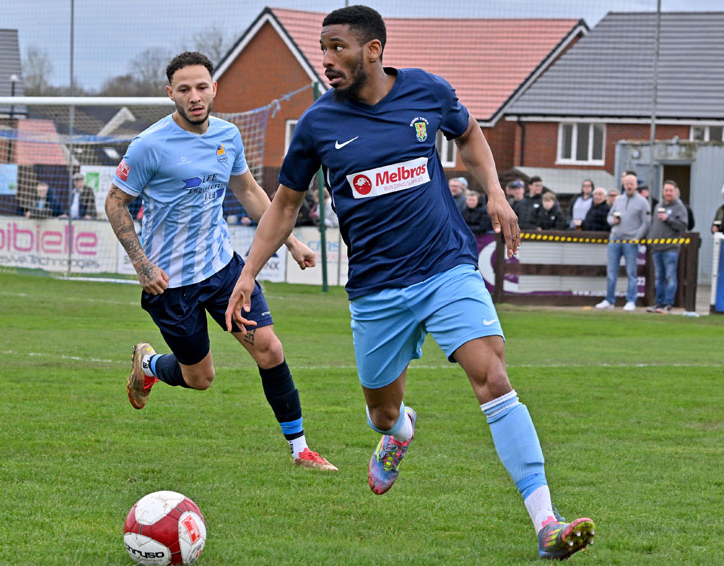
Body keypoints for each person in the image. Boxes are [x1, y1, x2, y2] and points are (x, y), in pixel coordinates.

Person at [225, 6, 594, 560]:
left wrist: (495, 192)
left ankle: (546, 522)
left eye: (337, 47)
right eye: (323, 49)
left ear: (373, 50)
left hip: (446, 266)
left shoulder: (427, 91)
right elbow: (284, 205)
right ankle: (399, 432)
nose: (326, 59)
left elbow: (470, 135)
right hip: (376, 290)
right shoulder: (317, 124)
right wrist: (249, 273)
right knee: (381, 411)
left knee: (493, 377)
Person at [104, 51, 336, 472]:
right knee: (200, 378)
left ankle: (300, 450)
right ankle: (150, 364)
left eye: (201, 87)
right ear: (170, 93)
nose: (194, 97)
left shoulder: (228, 135)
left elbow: (248, 191)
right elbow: (115, 202)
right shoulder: (149, 146)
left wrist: (290, 241)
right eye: (184, 89)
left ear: (214, 88)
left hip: (223, 270)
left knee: (270, 349)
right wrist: (142, 265)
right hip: (171, 284)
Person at [596, 173, 651, 311]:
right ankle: (609, 300)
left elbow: (646, 223)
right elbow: (609, 216)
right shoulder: (618, 200)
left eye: (631, 183)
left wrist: (637, 238)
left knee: (631, 272)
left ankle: (631, 300)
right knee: (611, 271)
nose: (629, 186)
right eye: (626, 184)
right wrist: (612, 221)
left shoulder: (643, 202)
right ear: (623, 185)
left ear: (636, 185)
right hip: (615, 238)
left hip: (630, 240)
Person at [645, 181, 688, 314]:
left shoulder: (679, 207)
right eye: (666, 190)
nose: (668, 193)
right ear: (663, 191)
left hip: (670, 248)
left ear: (675, 191)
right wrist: (650, 239)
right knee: (659, 277)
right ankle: (658, 303)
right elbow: (654, 224)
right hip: (657, 247)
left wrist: (668, 218)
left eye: (670, 190)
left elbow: (683, 226)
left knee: (670, 276)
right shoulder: (658, 205)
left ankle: (668, 304)